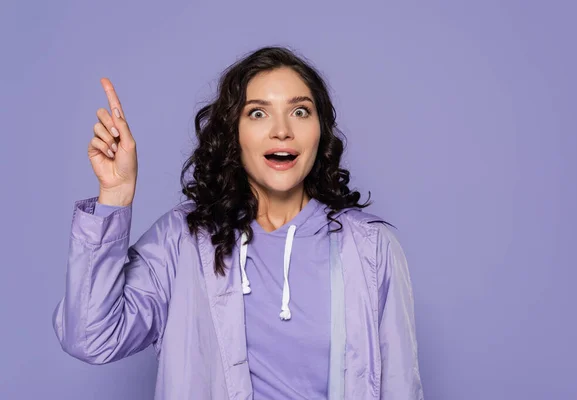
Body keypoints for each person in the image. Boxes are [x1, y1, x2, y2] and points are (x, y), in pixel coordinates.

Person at [52, 46, 424, 400]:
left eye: (300, 111)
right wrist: (115, 195)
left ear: (320, 131)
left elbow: (399, 386)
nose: (282, 130)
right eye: (258, 113)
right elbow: (92, 336)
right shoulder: (183, 240)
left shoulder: (371, 247)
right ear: (234, 133)